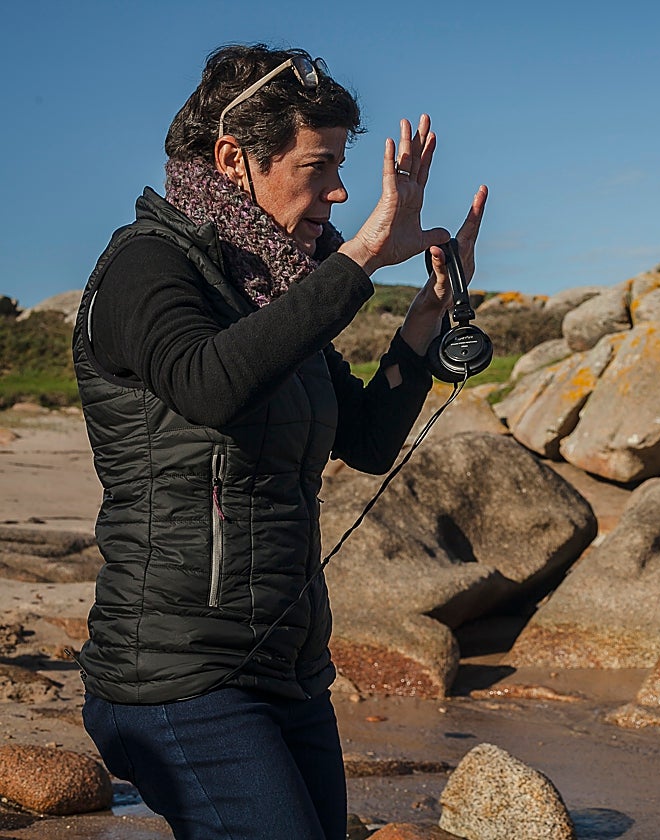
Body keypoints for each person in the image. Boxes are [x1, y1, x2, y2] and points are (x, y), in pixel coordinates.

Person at [72, 44, 486, 839]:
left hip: (287, 672)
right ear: (234, 158)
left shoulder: (269, 285)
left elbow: (363, 439)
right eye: (317, 165)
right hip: (176, 680)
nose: (338, 191)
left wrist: (425, 319)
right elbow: (208, 383)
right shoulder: (146, 268)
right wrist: (363, 255)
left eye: (342, 167)